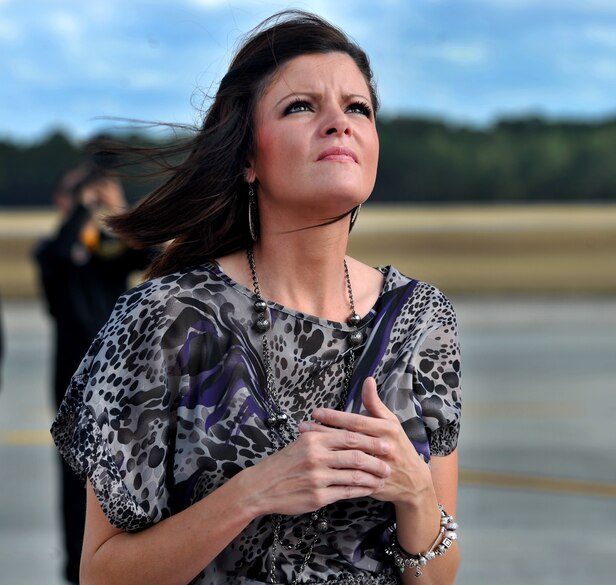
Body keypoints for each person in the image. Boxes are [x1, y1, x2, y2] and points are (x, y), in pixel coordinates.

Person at [50, 10, 462, 585]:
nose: (338, 123)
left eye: (357, 108)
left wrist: (417, 494)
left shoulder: (421, 320)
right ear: (247, 157)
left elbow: (437, 576)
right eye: (301, 106)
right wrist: (254, 491)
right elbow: (102, 573)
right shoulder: (167, 319)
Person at [35, 162, 155, 584]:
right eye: (77, 192)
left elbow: (154, 257)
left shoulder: (107, 250)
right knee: (74, 485)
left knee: (124, 477)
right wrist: (80, 211)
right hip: (71, 381)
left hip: (121, 382)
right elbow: (61, 256)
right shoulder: (51, 249)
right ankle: (76, 571)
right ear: (61, 201)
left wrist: (118, 211)